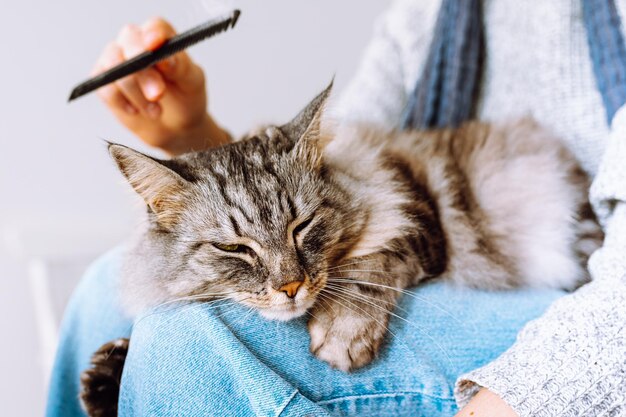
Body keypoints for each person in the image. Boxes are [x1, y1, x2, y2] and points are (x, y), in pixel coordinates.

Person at [47, 1, 626, 416]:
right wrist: (194, 134)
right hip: (440, 249)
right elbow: (327, 159)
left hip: (591, 303)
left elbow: (372, 195)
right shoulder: (429, 14)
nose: (287, 283)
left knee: (190, 340)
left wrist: (529, 396)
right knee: (104, 287)